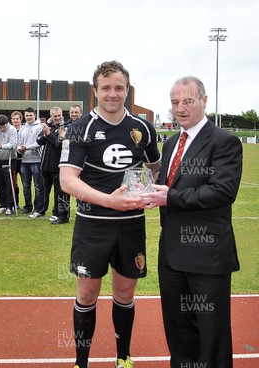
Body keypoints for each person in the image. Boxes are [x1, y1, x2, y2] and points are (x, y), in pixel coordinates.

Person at [60, 60, 161, 368]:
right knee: (88, 292)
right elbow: (67, 180)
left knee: (125, 292)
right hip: (93, 226)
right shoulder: (80, 129)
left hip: (131, 226)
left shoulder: (142, 128)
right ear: (95, 91)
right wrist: (109, 200)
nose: (113, 93)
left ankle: (123, 358)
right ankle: (81, 362)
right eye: (106, 88)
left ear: (127, 90)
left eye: (119, 88)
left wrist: (149, 189)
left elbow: (155, 168)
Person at [141, 76, 242, 367]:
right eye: (175, 102)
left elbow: (223, 191)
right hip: (171, 255)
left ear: (204, 100)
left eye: (188, 101)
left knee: (212, 336)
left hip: (207, 255)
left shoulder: (224, 141)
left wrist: (170, 197)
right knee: (178, 332)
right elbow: (166, 184)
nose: (180, 108)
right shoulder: (171, 143)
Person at [37, 107, 69, 224]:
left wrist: (49, 134)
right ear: (51, 116)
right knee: (43, 190)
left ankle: (58, 213)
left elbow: (58, 144)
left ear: (62, 115)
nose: (57, 118)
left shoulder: (65, 127)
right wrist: (46, 134)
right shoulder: (49, 126)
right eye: (55, 116)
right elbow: (39, 140)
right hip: (45, 165)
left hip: (58, 166)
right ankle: (41, 210)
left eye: (59, 115)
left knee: (59, 192)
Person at [17, 107, 43, 217]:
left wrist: (26, 147)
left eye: (30, 115)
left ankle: (38, 208)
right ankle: (28, 207)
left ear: (34, 115)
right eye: (27, 115)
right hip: (24, 161)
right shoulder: (22, 129)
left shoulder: (39, 127)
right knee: (26, 186)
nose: (28, 117)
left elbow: (40, 143)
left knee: (38, 186)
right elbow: (18, 143)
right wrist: (19, 148)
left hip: (37, 161)